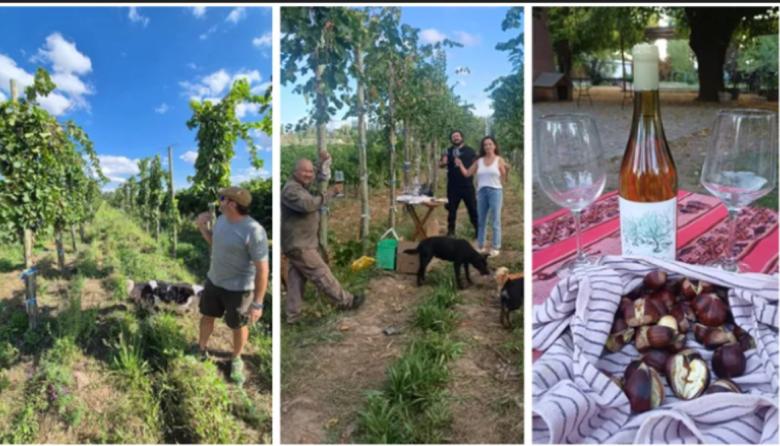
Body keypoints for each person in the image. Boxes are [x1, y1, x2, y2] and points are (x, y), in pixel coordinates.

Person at [194, 186, 269, 385]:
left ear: (232, 204)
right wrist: (203, 227)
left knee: (238, 325)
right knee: (207, 316)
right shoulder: (221, 221)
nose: (219, 201)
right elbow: (215, 243)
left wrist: (258, 303)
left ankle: (236, 358)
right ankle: (201, 349)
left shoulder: (254, 231)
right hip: (214, 281)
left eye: (222, 198)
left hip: (239, 289)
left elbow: (263, 269)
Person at [281, 158, 365, 324]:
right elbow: (308, 205)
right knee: (321, 273)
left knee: (296, 280)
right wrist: (331, 192)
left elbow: (316, 179)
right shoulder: (290, 190)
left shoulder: (301, 186)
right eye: (304, 171)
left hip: (299, 243)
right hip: (300, 245)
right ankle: (346, 301)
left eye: (311, 171)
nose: (308, 175)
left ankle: (293, 316)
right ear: (295, 172)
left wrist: (324, 162)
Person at [455, 136, 508, 257]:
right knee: (481, 220)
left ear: (494, 146)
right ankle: (480, 245)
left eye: (490, 144)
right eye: (485, 145)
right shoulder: (479, 161)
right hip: (482, 192)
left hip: (495, 192)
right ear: (483, 147)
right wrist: (460, 164)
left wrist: (497, 184)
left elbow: (504, 175)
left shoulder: (499, 160)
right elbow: (468, 173)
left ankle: (495, 247)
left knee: (495, 220)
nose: (488, 146)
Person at [439, 130, 478, 238]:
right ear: (451, 139)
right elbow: (441, 165)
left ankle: (478, 231)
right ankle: (451, 232)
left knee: (472, 209)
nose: (456, 138)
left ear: (462, 137)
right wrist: (443, 162)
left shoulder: (470, 150)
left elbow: (477, 164)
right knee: (451, 210)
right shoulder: (448, 151)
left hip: (467, 185)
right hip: (452, 186)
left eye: (457, 136)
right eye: (453, 136)